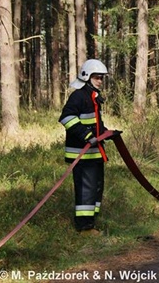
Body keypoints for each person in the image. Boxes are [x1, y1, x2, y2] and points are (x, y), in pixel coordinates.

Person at [59, 59, 110, 235]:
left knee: (96, 188)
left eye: (102, 78)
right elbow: (66, 118)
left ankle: (91, 222)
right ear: (86, 77)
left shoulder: (93, 96)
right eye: (97, 77)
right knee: (86, 191)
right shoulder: (79, 96)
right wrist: (86, 136)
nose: (100, 81)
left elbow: (94, 123)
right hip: (82, 155)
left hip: (94, 154)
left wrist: (106, 132)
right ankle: (84, 228)